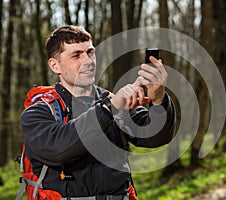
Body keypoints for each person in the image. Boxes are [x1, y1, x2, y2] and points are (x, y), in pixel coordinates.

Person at [20, 25, 175, 199]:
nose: (88, 61)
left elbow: (156, 137)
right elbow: (58, 147)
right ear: (55, 66)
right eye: (76, 55)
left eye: (90, 52)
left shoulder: (113, 99)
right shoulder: (38, 111)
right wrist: (108, 109)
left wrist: (158, 99)